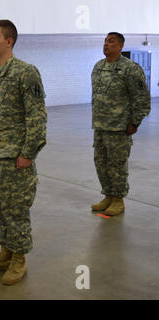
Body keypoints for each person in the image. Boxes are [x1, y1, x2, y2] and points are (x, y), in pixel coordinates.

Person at [0, 20, 47, 285]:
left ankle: (19, 259)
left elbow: (37, 117)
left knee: (16, 210)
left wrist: (29, 153)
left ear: (9, 42)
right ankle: (5, 252)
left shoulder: (25, 73)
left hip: (16, 159)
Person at [91, 32, 150, 216]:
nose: (106, 44)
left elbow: (141, 98)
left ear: (121, 46)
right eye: (106, 41)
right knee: (101, 163)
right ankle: (108, 195)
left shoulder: (130, 69)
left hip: (119, 127)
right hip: (100, 125)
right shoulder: (98, 67)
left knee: (117, 165)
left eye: (111, 41)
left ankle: (118, 200)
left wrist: (135, 121)